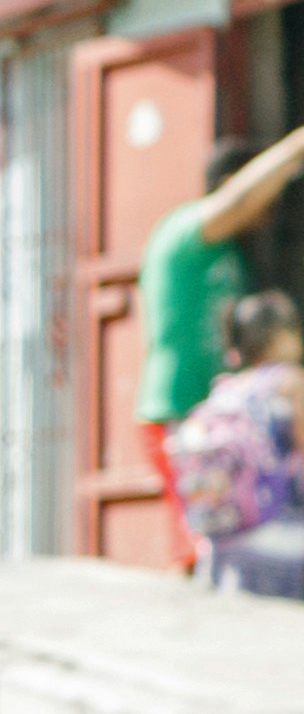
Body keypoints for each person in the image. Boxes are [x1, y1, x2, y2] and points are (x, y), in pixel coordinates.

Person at [135, 120, 304, 567]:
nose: (269, 209)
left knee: (228, 548)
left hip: (216, 420)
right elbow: (237, 201)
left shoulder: (231, 255)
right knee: (200, 549)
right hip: (178, 414)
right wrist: (294, 147)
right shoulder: (185, 232)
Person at [170, 289, 304, 596]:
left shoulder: (225, 389)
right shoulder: (289, 381)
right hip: (283, 543)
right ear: (281, 335)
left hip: (222, 545)